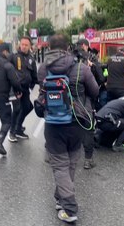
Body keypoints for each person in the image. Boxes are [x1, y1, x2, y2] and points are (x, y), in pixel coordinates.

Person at [37, 34, 99, 223]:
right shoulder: (81, 68)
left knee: (60, 165)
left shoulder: (43, 69)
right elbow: (95, 91)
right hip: (77, 122)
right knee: (70, 163)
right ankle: (62, 200)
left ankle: (69, 208)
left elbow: (42, 90)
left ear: (49, 48)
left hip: (54, 124)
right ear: (68, 48)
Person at [76, 39, 104, 169]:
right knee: (88, 127)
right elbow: (100, 80)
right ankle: (88, 159)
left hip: (70, 98)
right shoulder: (91, 60)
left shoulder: (69, 58)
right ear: (85, 46)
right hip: (86, 98)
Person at [8, 36, 38, 142]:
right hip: (15, 88)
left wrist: (33, 86)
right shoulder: (13, 56)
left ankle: (18, 128)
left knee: (28, 107)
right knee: (16, 109)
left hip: (25, 89)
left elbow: (34, 75)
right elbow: (6, 70)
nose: (24, 46)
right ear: (20, 45)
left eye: (26, 45)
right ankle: (12, 132)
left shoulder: (31, 58)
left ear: (30, 46)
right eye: (22, 44)